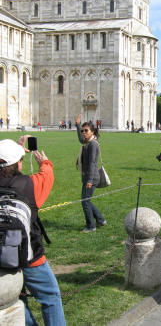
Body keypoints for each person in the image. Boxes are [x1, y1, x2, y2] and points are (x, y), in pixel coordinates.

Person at [0, 138, 66, 326]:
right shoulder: (30, 185)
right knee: (50, 297)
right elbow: (47, 175)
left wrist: (15, 150)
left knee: (17, 300)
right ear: (18, 163)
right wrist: (44, 162)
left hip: (2, 257)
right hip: (30, 256)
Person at [75, 114, 107, 232]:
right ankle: (100, 219)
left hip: (91, 177)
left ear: (92, 132)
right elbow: (80, 139)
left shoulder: (93, 144)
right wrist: (78, 125)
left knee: (85, 202)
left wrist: (89, 180)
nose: (83, 132)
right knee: (86, 200)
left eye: (86, 131)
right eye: (83, 131)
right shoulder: (87, 142)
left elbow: (92, 163)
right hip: (89, 176)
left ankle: (91, 226)